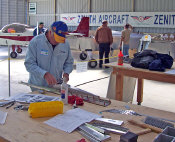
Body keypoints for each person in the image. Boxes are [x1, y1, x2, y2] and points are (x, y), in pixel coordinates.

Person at [25, 21, 74, 90]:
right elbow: (29, 64)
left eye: (61, 40)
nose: (58, 42)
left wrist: (66, 72)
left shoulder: (65, 44)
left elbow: (69, 62)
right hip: (38, 87)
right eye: (56, 39)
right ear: (50, 32)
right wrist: (44, 74)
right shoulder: (35, 42)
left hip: (56, 87)